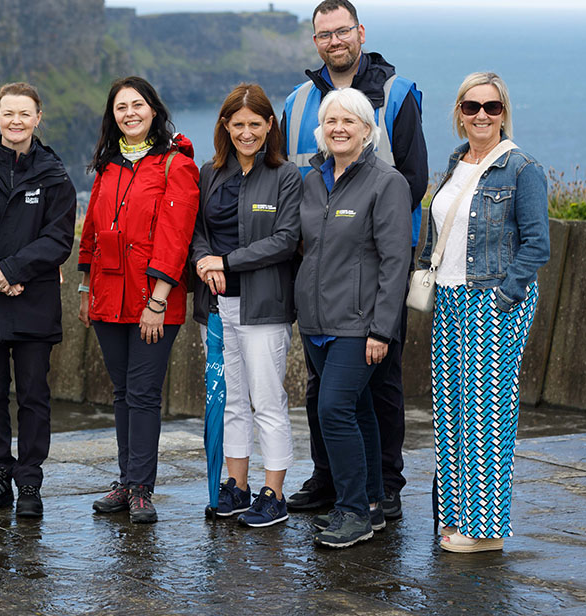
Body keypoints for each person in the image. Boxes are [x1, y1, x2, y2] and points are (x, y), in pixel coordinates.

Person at [282, 0, 428, 520]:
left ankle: (382, 484)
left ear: (360, 32)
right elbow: (287, 179)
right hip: (317, 263)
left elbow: (413, 179)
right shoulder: (298, 101)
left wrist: (359, 235)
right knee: (323, 389)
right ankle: (330, 478)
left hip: (374, 264)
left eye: (342, 31)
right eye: (325, 34)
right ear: (315, 41)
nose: (334, 41)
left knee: (379, 381)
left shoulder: (397, 94)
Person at [421, 72, 549, 553]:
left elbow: (537, 244)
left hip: (492, 299)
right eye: (471, 106)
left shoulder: (522, 168)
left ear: (503, 113)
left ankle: (486, 529)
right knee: (451, 412)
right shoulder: (456, 163)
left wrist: (503, 298)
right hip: (450, 299)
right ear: (459, 113)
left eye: (491, 107)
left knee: (487, 415)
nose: (481, 115)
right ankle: (458, 517)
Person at [79, 76, 199, 524]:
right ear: (112, 116)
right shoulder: (107, 166)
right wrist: (85, 290)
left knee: (144, 394)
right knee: (122, 393)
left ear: (154, 109)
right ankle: (126, 481)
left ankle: (142, 488)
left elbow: (176, 238)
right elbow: (91, 233)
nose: (129, 113)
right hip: (108, 296)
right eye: (121, 107)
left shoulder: (175, 164)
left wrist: (158, 301)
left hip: (154, 300)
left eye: (137, 105)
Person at [296, 88, 411, 549]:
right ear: (321, 130)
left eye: (350, 121)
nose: (339, 128)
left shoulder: (387, 182)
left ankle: (351, 512)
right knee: (358, 409)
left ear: (367, 129)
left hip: (360, 324)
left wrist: (382, 328)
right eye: (331, 121)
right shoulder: (313, 180)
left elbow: (396, 261)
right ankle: (371, 503)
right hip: (316, 321)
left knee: (334, 409)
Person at [0, 82, 77, 519]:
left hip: (33, 299)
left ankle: (29, 481)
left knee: (33, 396)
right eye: (8, 113)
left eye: (24, 114)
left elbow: (59, 238)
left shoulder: (54, 174)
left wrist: (12, 270)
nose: (16, 121)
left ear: (37, 118)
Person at [191, 84, 301, 528]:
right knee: (232, 400)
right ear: (225, 126)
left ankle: (274, 494)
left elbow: (286, 239)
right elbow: (197, 230)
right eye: (238, 124)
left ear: (270, 125)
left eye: (255, 123)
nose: (247, 133)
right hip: (217, 307)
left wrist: (227, 261)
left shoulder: (286, 176)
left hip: (264, 306)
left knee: (268, 401)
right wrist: (205, 262)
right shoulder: (209, 173)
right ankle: (237, 486)